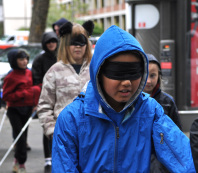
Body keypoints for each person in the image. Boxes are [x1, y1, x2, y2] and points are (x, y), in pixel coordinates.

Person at [51, 25, 195, 172]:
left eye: (133, 72)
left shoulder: (151, 111)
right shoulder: (72, 118)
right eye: (117, 72)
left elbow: (182, 159)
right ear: (99, 72)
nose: (127, 82)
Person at [37, 20, 94, 169]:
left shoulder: (96, 70)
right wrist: (53, 131)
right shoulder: (54, 72)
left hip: (94, 138)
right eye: (73, 42)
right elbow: (44, 106)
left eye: (81, 42)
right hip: (64, 140)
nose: (77, 46)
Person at [2, 49, 41, 173]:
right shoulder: (10, 77)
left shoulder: (29, 73)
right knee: (20, 138)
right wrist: (24, 93)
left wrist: (34, 103)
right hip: (14, 110)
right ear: (14, 61)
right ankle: (22, 163)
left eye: (26, 59)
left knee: (23, 135)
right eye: (21, 59)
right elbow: (6, 96)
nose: (24, 62)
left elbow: (33, 89)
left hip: (27, 108)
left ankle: (16, 160)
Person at [143, 54, 182, 173]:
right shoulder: (132, 102)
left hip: (163, 160)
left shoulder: (168, 102)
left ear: (159, 76)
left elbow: (177, 133)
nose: (149, 80)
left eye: (153, 75)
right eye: (145, 75)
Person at [31, 31, 58, 173]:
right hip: (45, 98)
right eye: (49, 42)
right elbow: (35, 81)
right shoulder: (39, 60)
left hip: (61, 99)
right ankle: (48, 159)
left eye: (54, 41)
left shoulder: (62, 58)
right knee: (47, 129)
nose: (51, 44)